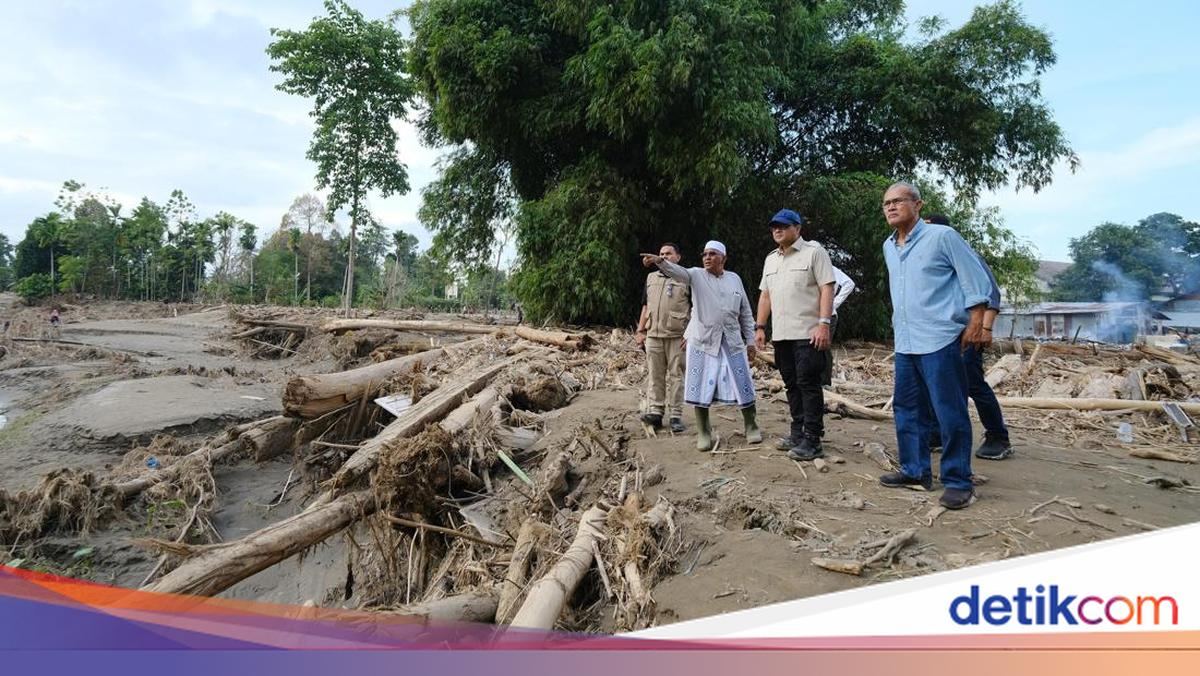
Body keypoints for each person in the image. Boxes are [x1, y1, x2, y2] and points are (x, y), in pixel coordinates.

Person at [879, 182, 994, 510]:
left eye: (898, 201)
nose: (891, 207)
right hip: (906, 340)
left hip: (940, 338)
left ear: (918, 204)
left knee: (949, 410)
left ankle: (958, 480)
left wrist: (976, 322)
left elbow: (976, 280)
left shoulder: (943, 237)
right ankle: (915, 471)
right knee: (907, 409)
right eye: (886, 203)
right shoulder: (889, 246)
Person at [641, 241, 760, 451]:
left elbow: (745, 312)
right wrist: (660, 261)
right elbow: (677, 272)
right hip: (702, 340)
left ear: (723, 258)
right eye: (704, 254)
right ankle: (704, 432)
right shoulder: (696, 275)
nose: (707, 257)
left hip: (732, 340)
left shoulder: (734, 279)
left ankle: (751, 426)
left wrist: (750, 341)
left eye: (712, 254)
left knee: (743, 383)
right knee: (699, 387)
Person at [923, 213, 1013, 460]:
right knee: (938, 384)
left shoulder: (964, 254)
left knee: (972, 383)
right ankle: (938, 433)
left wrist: (985, 329)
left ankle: (998, 436)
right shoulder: (930, 257)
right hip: (940, 334)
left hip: (968, 332)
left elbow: (990, 293)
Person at [754, 209, 836, 460]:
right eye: (774, 226)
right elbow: (765, 296)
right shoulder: (771, 259)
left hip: (808, 332)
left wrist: (824, 324)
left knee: (808, 384)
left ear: (797, 228)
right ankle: (797, 432)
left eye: (783, 225)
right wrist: (760, 327)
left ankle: (813, 438)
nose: (777, 230)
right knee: (791, 384)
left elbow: (827, 288)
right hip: (782, 335)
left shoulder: (814, 252)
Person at [635, 242, 692, 434]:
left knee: (677, 376)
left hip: (677, 336)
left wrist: (690, 334)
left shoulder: (687, 279)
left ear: (678, 257)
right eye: (661, 253)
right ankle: (656, 413)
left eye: (668, 253)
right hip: (653, 335)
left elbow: (697, 309)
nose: (664, 256)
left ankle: (676, 416)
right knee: (655, 375)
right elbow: (645, 306)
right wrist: (640, 331)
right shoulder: (651, 277)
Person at [821, 264, 857, 386]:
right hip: (810, 315)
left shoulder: (830, 268)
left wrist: (834, 303)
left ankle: (825, 382)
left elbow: (849, 283)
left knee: (823, 347)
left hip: (828, 315)